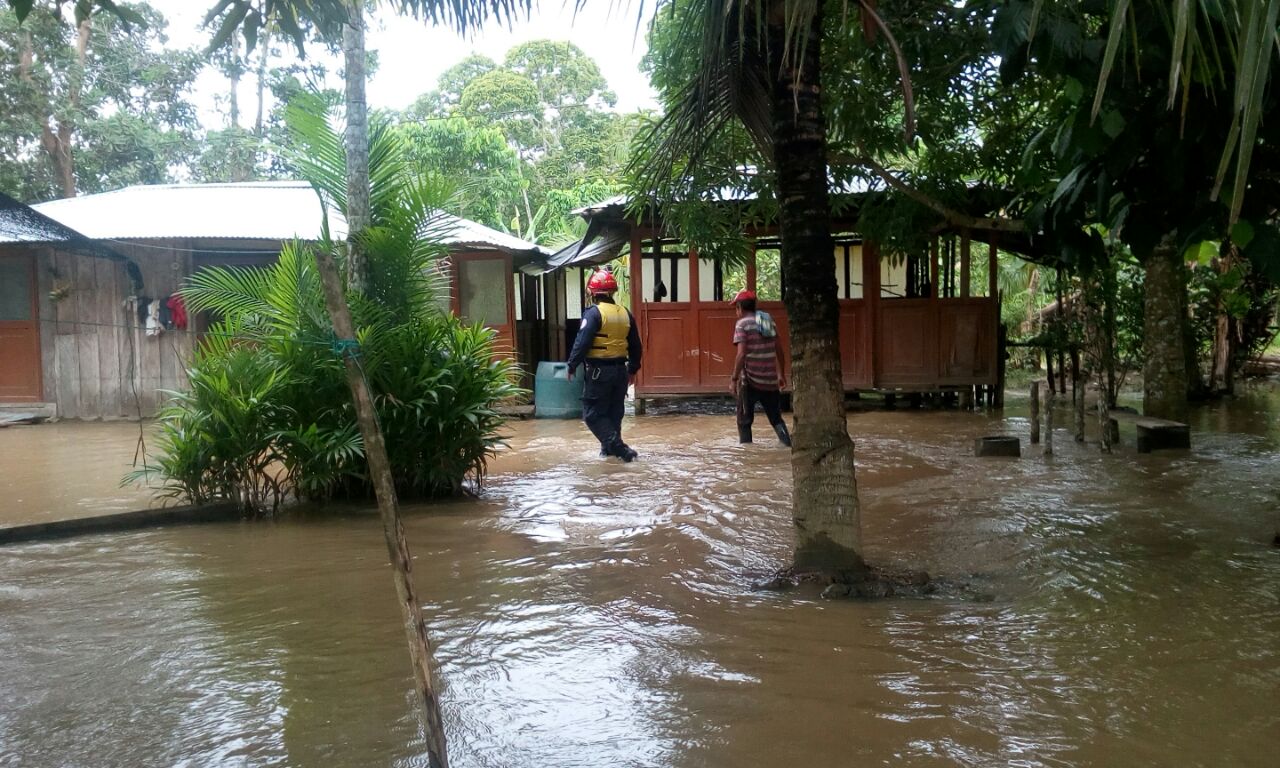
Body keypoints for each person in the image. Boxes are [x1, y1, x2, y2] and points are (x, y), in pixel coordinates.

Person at [568, 268, 643, 461]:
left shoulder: (594, 313)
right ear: (613, 292)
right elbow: (636, 345)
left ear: (593, 293)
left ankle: (621, 450)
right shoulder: (626, 313)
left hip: (599, 372)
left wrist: (572, 364)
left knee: (592, 414)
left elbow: (582, 341)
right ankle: (609, 455)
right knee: (613, 414)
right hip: (620, 373)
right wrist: (633, 369)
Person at [730, 289, 792, 446]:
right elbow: (779, 350)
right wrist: (780, 374)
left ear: (739, 308)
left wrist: (734, 379)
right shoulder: (767, 321)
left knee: (744, 420)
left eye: (736, 308)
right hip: (770, 381)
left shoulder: (741, 324)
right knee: (776, 418)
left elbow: (741, 354)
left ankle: (747, 456)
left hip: (749, 382)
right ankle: (787, 446)